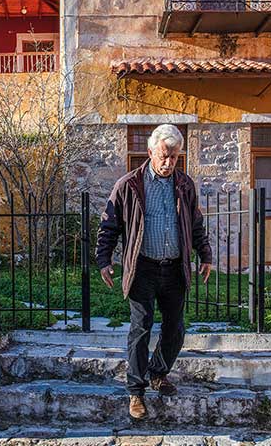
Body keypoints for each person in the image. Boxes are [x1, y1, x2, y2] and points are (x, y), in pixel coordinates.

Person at [96, 124, 213, 420]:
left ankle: (158, 373)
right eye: (164, 156)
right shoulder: (129, 185)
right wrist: (104, 259)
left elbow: (195, 224)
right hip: (143, 267)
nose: (168, 163)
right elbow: (109, 225)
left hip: (174, 267)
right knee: (141, 327)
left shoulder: (185, 185)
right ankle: (136, 391)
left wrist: (206, 254)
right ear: (150, 153)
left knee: (175, 328)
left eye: (174, 157)